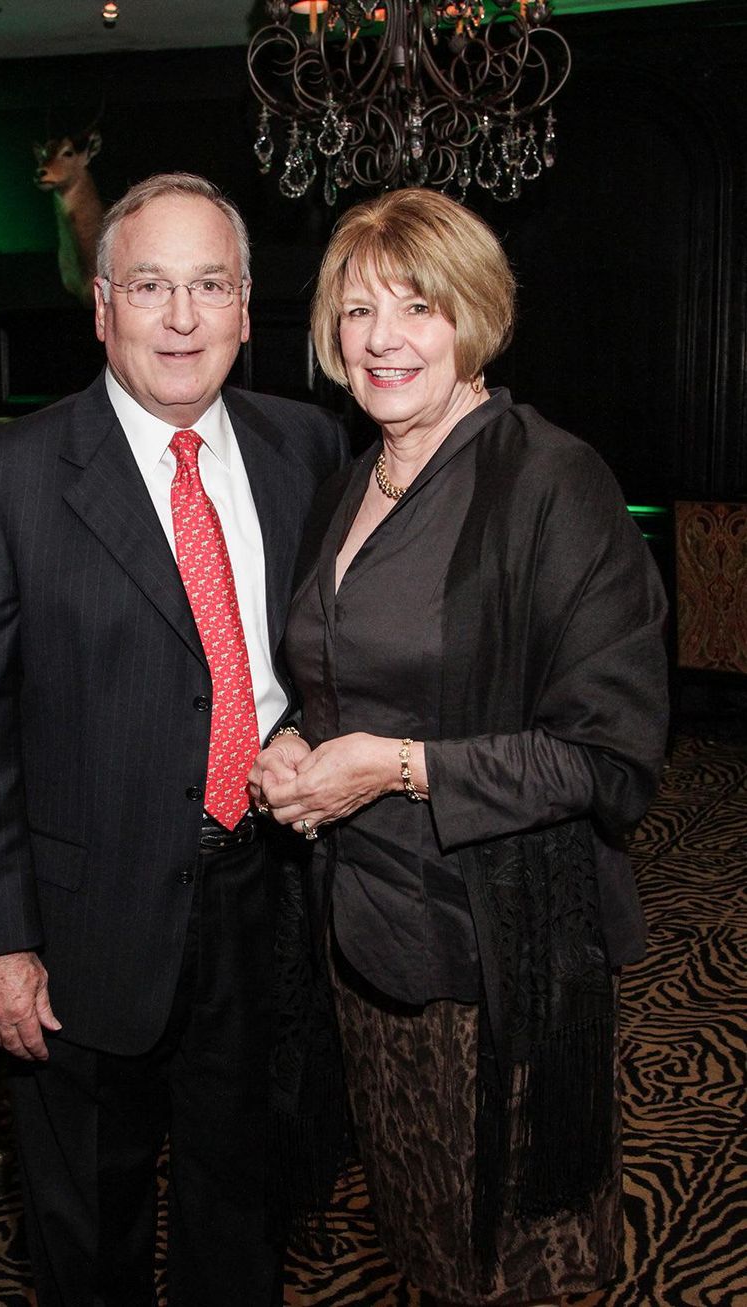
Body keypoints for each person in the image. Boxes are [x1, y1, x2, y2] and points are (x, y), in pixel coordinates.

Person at [0, 171, 348, 1307]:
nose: (179, 317)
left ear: (247, 308)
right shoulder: (0, 478)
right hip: (78, 925)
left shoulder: (304, 445)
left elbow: (324, 651)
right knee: (87, 1230)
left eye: (208, 285)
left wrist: (309, 732)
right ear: (100, 304)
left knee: (245, 1202)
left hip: (265, 897)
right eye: (149, 285)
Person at [249, 187, 668, 1306]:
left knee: (498, 1259)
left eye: (417, 306)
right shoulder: (350, 483)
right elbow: (338, 673)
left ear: (474, 316)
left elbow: (608, 756)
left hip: (492, 954)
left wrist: (395, 765)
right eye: (355, 310)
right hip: (362, 936)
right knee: (420, 1236)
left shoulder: (550, 482)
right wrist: (292, 740)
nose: (382, 338)